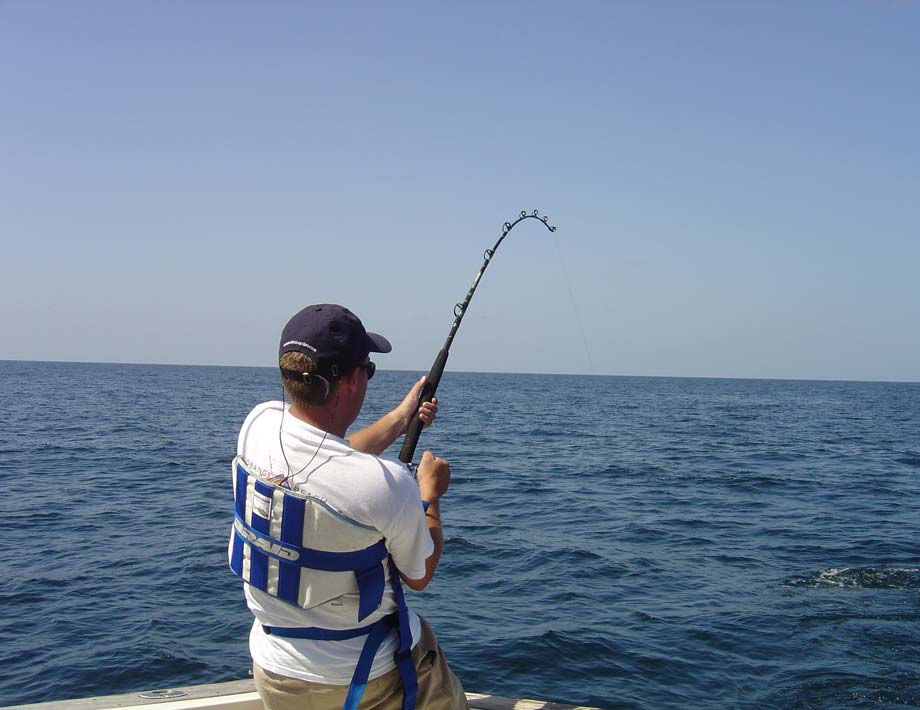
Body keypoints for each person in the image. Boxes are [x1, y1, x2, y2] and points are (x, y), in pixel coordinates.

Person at [229, 303, 468, 710]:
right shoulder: (387, 484)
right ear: (354, 379)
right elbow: (419, 575)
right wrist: (430, 494)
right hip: (363, 680)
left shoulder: (258, 426)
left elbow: (331, 463)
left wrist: (402, 415)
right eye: (368, 370)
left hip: (273, 668)